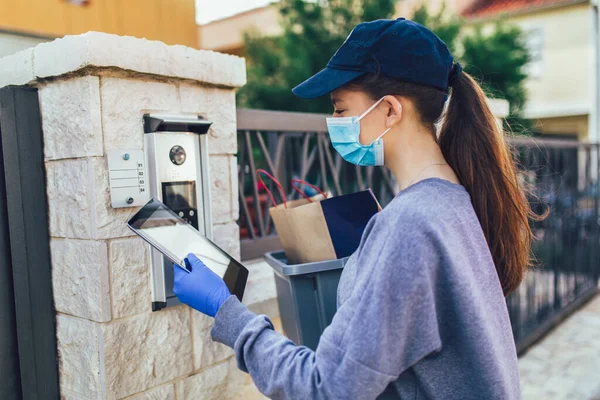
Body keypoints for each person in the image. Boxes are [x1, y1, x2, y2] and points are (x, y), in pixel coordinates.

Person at [173, 18, 538, 399]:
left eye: (341, 109)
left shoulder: (410, 225)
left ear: (391, 110)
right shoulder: (452, 200)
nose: (334, 124)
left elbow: (325, 389)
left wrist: (226, 312)